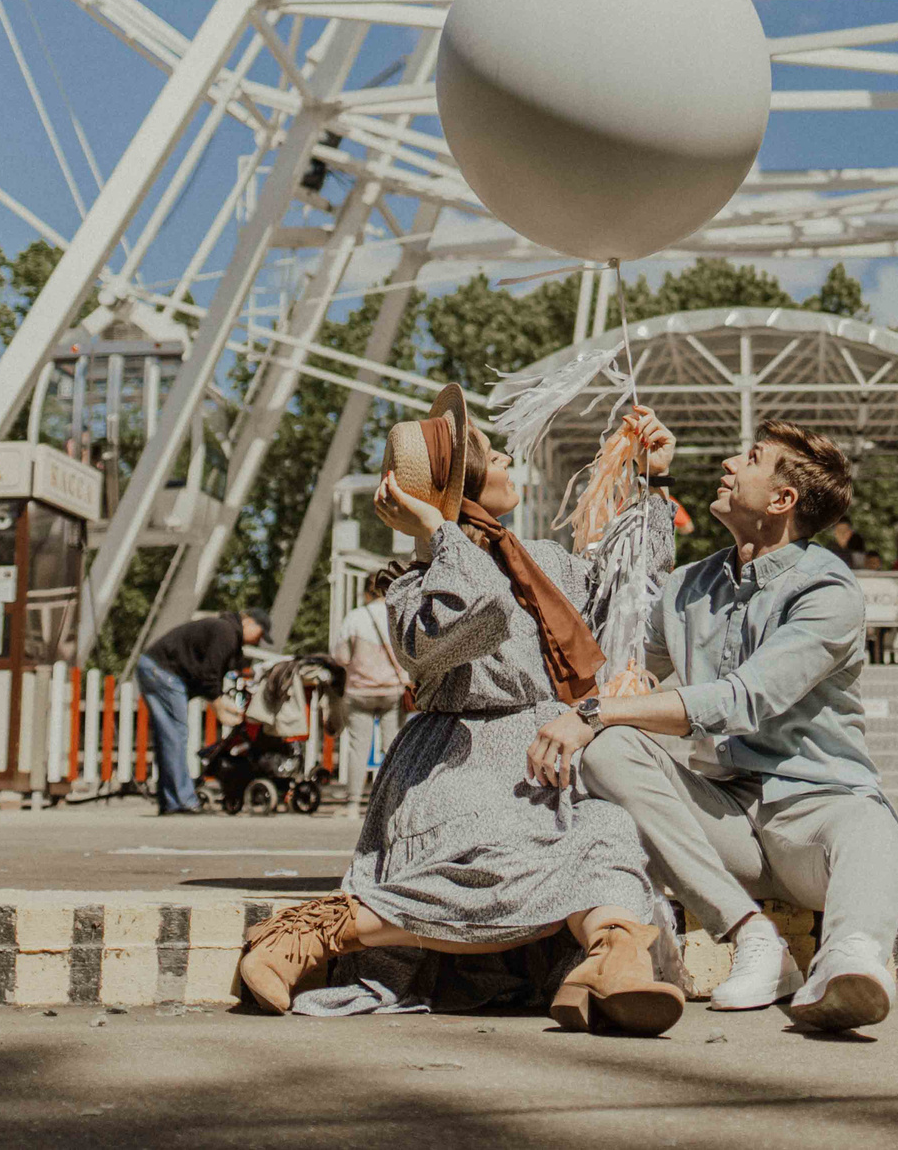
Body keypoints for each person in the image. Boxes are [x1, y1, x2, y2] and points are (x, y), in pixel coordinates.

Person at [235, 387, 689, 1036]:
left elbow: (626, 598)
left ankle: (611, 953)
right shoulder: (414, 587)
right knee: (499, 851)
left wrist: (655, 476)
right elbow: (482, 614)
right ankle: (312, 931)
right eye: (488, 452)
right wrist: (439, 531)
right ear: (461, 486)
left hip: (557, 746)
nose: (505, 454)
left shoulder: (544, 560)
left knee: (609, 830)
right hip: (462, 761)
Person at [531, 418, 898, 1032]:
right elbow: (621, 665)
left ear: (782, 501)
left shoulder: (829, 589)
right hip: (725, 816)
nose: (730, 463)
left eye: (751, 458)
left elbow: (743, 699)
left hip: (815, 812)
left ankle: (853, 961)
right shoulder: (686, 586)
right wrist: (651, 480)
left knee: (868, 819)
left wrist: (593, 713)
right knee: (610, 749)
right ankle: (754, 938)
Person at [135, 606, 267, 815]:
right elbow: (209, 675)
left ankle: (171, 800)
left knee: (169, 737)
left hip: (153, 667)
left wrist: (220, 703)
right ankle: (182, 801)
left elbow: (206, 676)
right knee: (176, 735)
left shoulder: (222, 629)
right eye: (260, 633)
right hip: (164, 672)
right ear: (249, 622)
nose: (258, 641)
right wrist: (220, 707)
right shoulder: (227, 632)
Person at [331, 563, 409, 802]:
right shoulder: (398, 614)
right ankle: (395, 798)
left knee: (358, 747)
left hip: (359, 692)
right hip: (392, 691)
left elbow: (341, 657)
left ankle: (354, 801)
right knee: (393, 746)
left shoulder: (355, 618)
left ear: (366, 591)